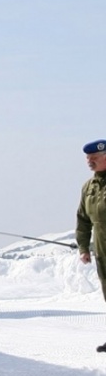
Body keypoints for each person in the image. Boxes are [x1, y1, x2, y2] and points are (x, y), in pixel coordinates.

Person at [76, 138, 106, 352]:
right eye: (88, 158)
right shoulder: (89, 187)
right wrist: (84, 247)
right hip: (102, 251)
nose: (89, 161)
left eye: (93, 158)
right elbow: (83, 219)